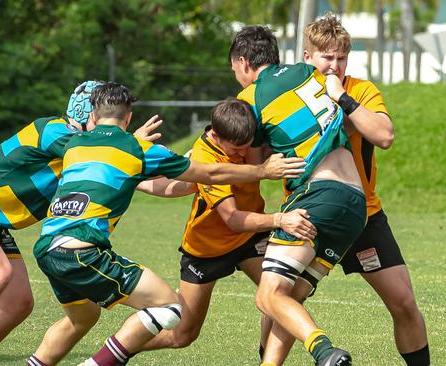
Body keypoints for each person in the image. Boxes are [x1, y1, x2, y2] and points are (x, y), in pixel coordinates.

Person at [27, 83, 306, 366]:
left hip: (46, 248)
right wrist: (262, 171)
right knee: (171, 306)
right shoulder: (137, 149)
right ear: (128, 117)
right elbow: (209, 171)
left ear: (94, 118)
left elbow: (169, 186)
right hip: (82, 250)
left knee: (81, 318)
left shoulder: (76, 145)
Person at [0, 80, 163, 366]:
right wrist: (133, 141)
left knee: (18, 303)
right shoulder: (54, 131)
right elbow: (111, 153)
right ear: (92, 116)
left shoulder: (85, 150)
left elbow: (143, 180)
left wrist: (198, 172)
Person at [229, 25, 369, 366]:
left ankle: (324, 352)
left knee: (268, 295)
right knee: (286, 299)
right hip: (355, 203)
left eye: (233, 68)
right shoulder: (308, 72)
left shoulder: (250, 99)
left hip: (317, 197)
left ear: (244, 63)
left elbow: (252, 161)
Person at [135, 98, 317, 357]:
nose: (242, 155)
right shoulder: (204, 157)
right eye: (235, 150)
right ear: (217, 136)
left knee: (283, 294)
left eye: (246, 148)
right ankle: (119, 350)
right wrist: (279, 219)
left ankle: (270, 359)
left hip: (251, 236)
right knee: (184, 334)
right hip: (207, 248)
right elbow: (231, 217)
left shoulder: (243, 127)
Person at [303, 14, 429, 366]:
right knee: (282, 301)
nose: (335, 65)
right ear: (307, 57)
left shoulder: (360, 90)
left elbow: (384, 136)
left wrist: (343, 99)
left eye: (341, 57)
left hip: (364, 216)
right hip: (310, 216)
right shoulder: (291, 97)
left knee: (404, 302)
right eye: (327, 57)